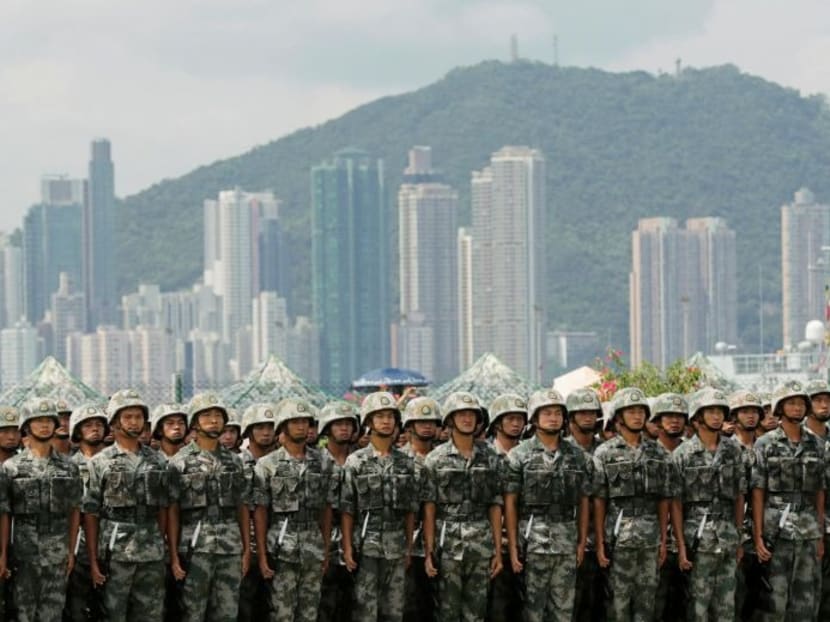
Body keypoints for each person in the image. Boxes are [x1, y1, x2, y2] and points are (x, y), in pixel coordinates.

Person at [83, 388, 173, 622]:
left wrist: (160, 543)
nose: (134, 423)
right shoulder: (100, 462)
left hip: (151, 552)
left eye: (138, 417)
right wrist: (93, 560)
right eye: (128, 417)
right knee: (114, 613)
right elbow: (91, 513)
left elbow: (164, 507)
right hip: (115, 552)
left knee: (151, 614)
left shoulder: (158, 460)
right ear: (114, 423)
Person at [504, 388, 591, 622]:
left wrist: (582, 541)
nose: (553, 418)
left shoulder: (577, 455)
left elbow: (584, 501)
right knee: (533, 609)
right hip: (533, 542)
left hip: (566, 540)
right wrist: (513, 547)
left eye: (557, 413)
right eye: (547, 413)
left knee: (564, 610)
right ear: (534, 418)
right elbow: (510, 503)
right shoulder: (519, 455)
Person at [167, 392, 249, 622]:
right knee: (193, 612)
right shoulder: (179, 462)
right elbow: (172, 511)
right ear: (194, 423)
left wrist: (245, 549)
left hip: (230, 547)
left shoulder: (235, 462)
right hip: (194, 548)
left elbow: (242, 506)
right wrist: (173, 555)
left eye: (218, 416)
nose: (214, 420)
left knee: (227, 612)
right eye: (207, 415)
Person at [423, 391, 504, 622]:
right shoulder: (435, 459)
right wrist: (428, 551)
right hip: (447, 543)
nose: (467, 419)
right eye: (461, 414)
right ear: (450, 420)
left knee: (477, 611)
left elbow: (495, 506)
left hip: (481, 542)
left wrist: (498, 551)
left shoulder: (491, 458)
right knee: (447, 610)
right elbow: (429, 508)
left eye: (472, 415)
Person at [593, 387, 672, 622]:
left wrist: (663, 541)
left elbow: (664, 500)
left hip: (650, 537)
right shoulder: (605, 453)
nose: (638, 416)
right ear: (619, 417)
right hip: (618, 538)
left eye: (641, 411)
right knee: (618, 601)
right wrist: (599, 543)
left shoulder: (658, 453)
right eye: (631, 412)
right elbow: (599, 500)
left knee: (647, 600)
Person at [254, 397, 334, 621]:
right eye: (295, 421)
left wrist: (325, 548)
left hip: (313, 546)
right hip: (281, 548)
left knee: (309, 612)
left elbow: (327, 509)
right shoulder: (267, 464)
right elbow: (260, 511)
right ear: (283, 425)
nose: (301, 426)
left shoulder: (323, 462)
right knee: (282, 613)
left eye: (305, 421)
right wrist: (261, 555)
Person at [340, 391, 418, 622]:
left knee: (394, 610)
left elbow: (410, 509)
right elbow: (347, 509)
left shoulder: (406, 462)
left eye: (390, 416)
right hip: (365, 545)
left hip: (396, 545)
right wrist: (346, 547)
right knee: (366, 610)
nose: (386, 421)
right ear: (369, 422)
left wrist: (408, 547)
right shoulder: (356, 461)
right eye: (380, 416)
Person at [751, 380, 825, 619]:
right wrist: (758, 535)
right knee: (775, 598)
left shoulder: (816, 444)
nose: (797, 408)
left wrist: (820, 533)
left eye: (801, 403)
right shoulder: (765, 444)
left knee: (806, 598)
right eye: (791, 403)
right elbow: (758, 491)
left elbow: (820, 491)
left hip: (809, 529)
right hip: (776, 530)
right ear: (779, 408)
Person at [4, 397, 82, 622]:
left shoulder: (69, 466)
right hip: (23, 552)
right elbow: (5, 514)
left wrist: (70, 551)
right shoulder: (12, 468)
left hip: (57, 551)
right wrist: (4, 554)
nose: (45, 425)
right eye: (38, 420)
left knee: (53, 613)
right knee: (23, 613)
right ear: (27, 426)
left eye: (49, 420)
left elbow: (74, 510)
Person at [672, 387, 744, 622]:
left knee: (726, 606)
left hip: (727, 536)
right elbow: (676, 503)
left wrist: (739, 536)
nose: (716, 416)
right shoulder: (683, 454)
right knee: (698, 606)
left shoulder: (733, 450)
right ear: (697, 417)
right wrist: (681, 546)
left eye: (720, 411)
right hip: (697, 539)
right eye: (710, 411)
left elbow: (739, 496)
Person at [486, 393, 528, 622]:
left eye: (520, 419)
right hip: (496, 546)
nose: (516, 424)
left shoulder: (531, 455)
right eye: (510, 418)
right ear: (497, 422)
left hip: (528, 544)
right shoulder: (485, 457)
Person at [399, 396, 442, 622]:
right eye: (422, 421)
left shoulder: (443, 457)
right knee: (409, 605)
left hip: (442, 541)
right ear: (410, 425)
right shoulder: (400, 459)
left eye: (432, 422)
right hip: (407, 542)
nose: (428, 426)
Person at [317, 401, 359, 622]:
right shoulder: (316, 461)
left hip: (358, 539)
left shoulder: (361, 459)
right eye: (338, 424)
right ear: (327, 428)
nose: (344, 428)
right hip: (325, 541)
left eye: (348, 424)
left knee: (354, 603)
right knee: (325, 603)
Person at [66, 403, 108, 622]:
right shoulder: (68, 467)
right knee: (79, 607)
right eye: (89, 425)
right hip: (79, 545)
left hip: (113, 542)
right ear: (78, 431)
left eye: (99, 424)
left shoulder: (114, 462)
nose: (95, 429)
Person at [565, 387, 604, 622]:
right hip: (567, 542)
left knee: (598, 606)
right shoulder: (562, 451)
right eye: (582, 413)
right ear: (570, 418)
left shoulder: (606, 450)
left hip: (604, 540)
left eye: (592, 412)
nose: (588, 417)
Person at [649, 393, 688, 622]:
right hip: (654, 543)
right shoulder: (649, 455)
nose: (675, 421)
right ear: (658, 421)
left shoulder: (691, 453)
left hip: (691, 540)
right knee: (656, 605)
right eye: (669, 416)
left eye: (680, 416)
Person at [238, 402, 278, 622]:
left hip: (275, 541)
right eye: (260, 427)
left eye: (270, 427)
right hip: (245, 543)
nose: (266, 432)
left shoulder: (280, 463)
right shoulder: (236, 463)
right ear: (248, 430)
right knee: (245, 606)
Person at [727, 389, 762, 620]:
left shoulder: (766, 448)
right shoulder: (725, 450)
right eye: (744, 411)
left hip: (765, 533)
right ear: (734, 416)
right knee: (735, 598)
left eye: (754, 411)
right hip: (732, 534)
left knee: (762, 599)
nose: (751, 416)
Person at [805, 379, 830, 619]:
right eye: (818, 400)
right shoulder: (797, 440)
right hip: (807, 527)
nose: (824, 405)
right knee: (809, 590)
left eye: (828, 401)